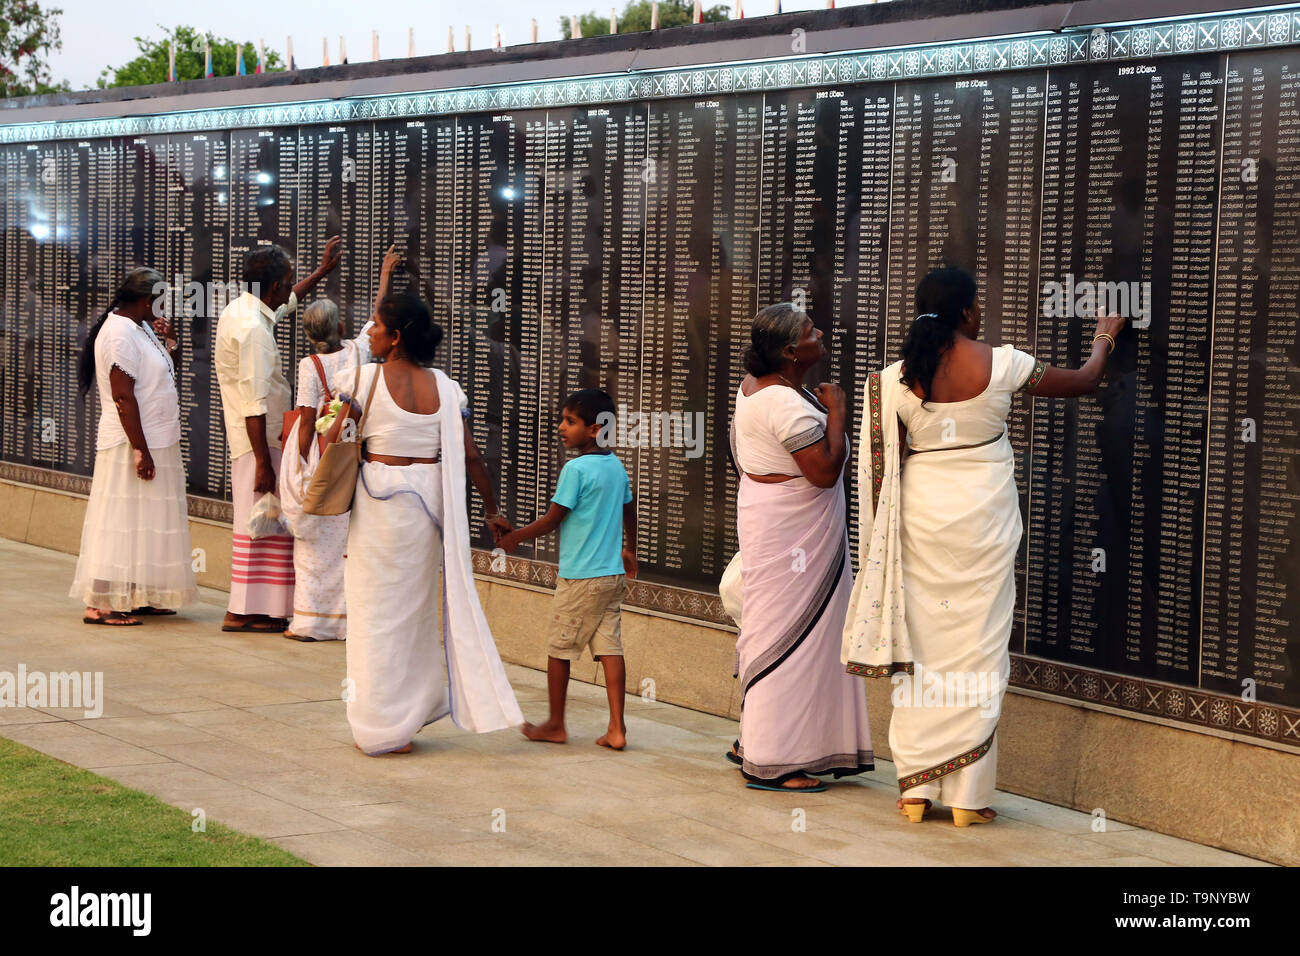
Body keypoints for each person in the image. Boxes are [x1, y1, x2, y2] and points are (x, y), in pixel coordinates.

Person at [842, 266, 1126, 826]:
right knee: (978, 644)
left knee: (924, 648)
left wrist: (880, 548)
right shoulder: (1003, 363)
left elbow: (882, 473)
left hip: (922, 522)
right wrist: (1105, 336)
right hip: (983, 520)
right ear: (968, 311)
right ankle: (968, 799)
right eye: (979, 306)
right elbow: (1085, 380)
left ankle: (915, 791)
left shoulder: (892, 380)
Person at [326, 292, 522, 754]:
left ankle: (378, 726)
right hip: (426, 510)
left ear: (395, 337)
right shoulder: (445, 386)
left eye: (375, 326)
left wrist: (324, 424)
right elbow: (472, 454)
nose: (369, 333)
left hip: (379, 505)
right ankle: (407, 716)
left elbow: (333, 437)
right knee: (411, 615)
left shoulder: (360, 378)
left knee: (375, 613)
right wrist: (493, 509)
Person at [728, 303, 874, 792]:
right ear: (791, 351)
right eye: (811, 330)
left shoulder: (757, 390)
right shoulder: (784, 402)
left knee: (784, 630)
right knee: (791, 637)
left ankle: (755, 739)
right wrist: (837, 412)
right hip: (793, 533)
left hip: (777, 522)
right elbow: (824, 471)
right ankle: (777, 760)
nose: (821, 332)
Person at [497, 388, 638, 750]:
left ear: (594, 429)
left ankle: (556, 724)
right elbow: (629, 509)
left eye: (570, 421)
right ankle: (616, 729)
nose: (561, 427)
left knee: (559, 649)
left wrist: (514, 538)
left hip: (579, 579)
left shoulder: (575, 469)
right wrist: (629, 549)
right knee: (610, 648)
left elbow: (552, 519)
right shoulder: (616, 466)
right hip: (611, 577)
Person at [214, 238, 340, 633]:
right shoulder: (253, 329)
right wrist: (265, 464)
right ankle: (242, 611)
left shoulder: (246, 309)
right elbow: (254, 402)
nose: (290, 288)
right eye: (287, 281)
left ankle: (259, 609)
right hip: (259, 442)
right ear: (271, 288)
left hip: (258, 441)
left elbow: (286, 304)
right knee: (259, 525)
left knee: (261, 526)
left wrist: (318, 274)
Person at [278, 244, 399, 642]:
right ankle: (346, 621)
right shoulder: (357, 352)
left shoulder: (309, 365)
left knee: (314, 545)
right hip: (351, 451)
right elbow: (378, 315)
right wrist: (384, 274)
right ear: (340, 329)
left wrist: (300, 466)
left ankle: (311, 622)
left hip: (320, 453)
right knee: (345, 542)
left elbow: (308, 416)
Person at [70, 267, 197, 625]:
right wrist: (140, 449)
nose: (162, 309)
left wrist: (169, 343)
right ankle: (101, 602)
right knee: (119, 521)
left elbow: (161, 374)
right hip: (131, 442)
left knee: (146, 520)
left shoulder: (140, 328)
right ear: (145, 300)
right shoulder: (118, 334)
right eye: (159, 302)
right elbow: (124, 397)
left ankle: (139, 594)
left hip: (157, 437)